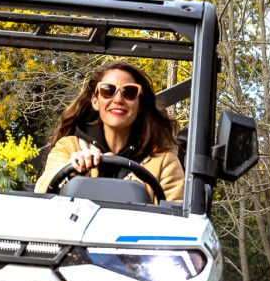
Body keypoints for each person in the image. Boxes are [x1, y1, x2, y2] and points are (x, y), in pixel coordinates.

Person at [35, 60, 184, 202]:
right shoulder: (68, 147)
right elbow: (42, 190)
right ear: (95, 101)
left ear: (139, 105)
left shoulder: (163, 160)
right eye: (108, 91)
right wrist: (72, 167)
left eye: (129, 92)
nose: (118, 99)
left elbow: (176, 214)